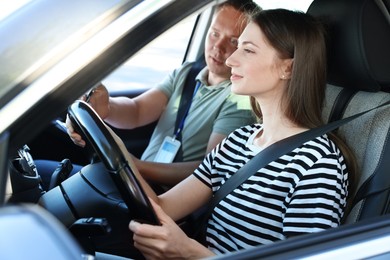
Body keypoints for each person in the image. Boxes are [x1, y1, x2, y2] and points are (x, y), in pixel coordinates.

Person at [105, 8, 356, 258]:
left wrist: (191, 253)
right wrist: (116, 152)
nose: (230, 60)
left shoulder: (318, 165)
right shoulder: (237, 142)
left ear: (288, 69)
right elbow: (162, 207)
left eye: (247, 50)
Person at [36, 0, 259, 191]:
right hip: (134, 181)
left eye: (233, 41)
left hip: (162, 195)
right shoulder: (188, 73)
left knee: (37, 182)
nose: (217, 47)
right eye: (214, 34)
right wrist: (108, 106)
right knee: (37, 173)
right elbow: (137, 110)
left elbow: (209, 170)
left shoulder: (238, 99)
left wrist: (136, 166)